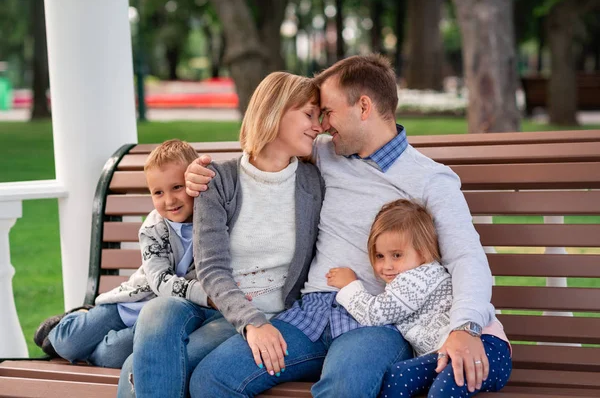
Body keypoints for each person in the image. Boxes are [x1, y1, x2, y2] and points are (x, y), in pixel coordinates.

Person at [185, 54, 506, 397]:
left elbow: (466, 257)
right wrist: (197, 175)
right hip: (309, 316)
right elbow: (269, 146)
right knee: (213, 378)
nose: (322, 125)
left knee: (343, 388)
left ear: (364, 107)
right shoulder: (324, 153)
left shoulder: (430, 179)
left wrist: (466, 327)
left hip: (374, 322)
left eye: (329, 112)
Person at [116, 72, 324, 397]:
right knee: (158, 311)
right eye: (309, 114)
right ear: (275, 111)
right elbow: (211, 269)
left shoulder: (313, 182)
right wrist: (249, 320)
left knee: (137, 369)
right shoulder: (218, 180)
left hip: (269, 313)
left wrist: (256, 321)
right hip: (215, 305)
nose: (318, 125)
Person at [33, 139, 208, 368]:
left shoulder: (210, 223)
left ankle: (91, 346)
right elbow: (159, 281)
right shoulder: (153, 228)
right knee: (67, 344)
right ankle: (71, 322)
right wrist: (205, 295)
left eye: (177, 187)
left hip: (161, 318)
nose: (169, 200)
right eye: (158, 192)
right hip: (131, 303)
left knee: (110, 356)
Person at [327, 199, 512, 397]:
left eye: (396, 255)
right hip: (443, 357)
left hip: (484, 349)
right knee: (397, 377)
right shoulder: (401, 282)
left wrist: (349, 286)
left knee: (443, 390)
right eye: (380, 256)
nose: (386, 265)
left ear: (422, 253)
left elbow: (374, 314)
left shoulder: (418, 278)